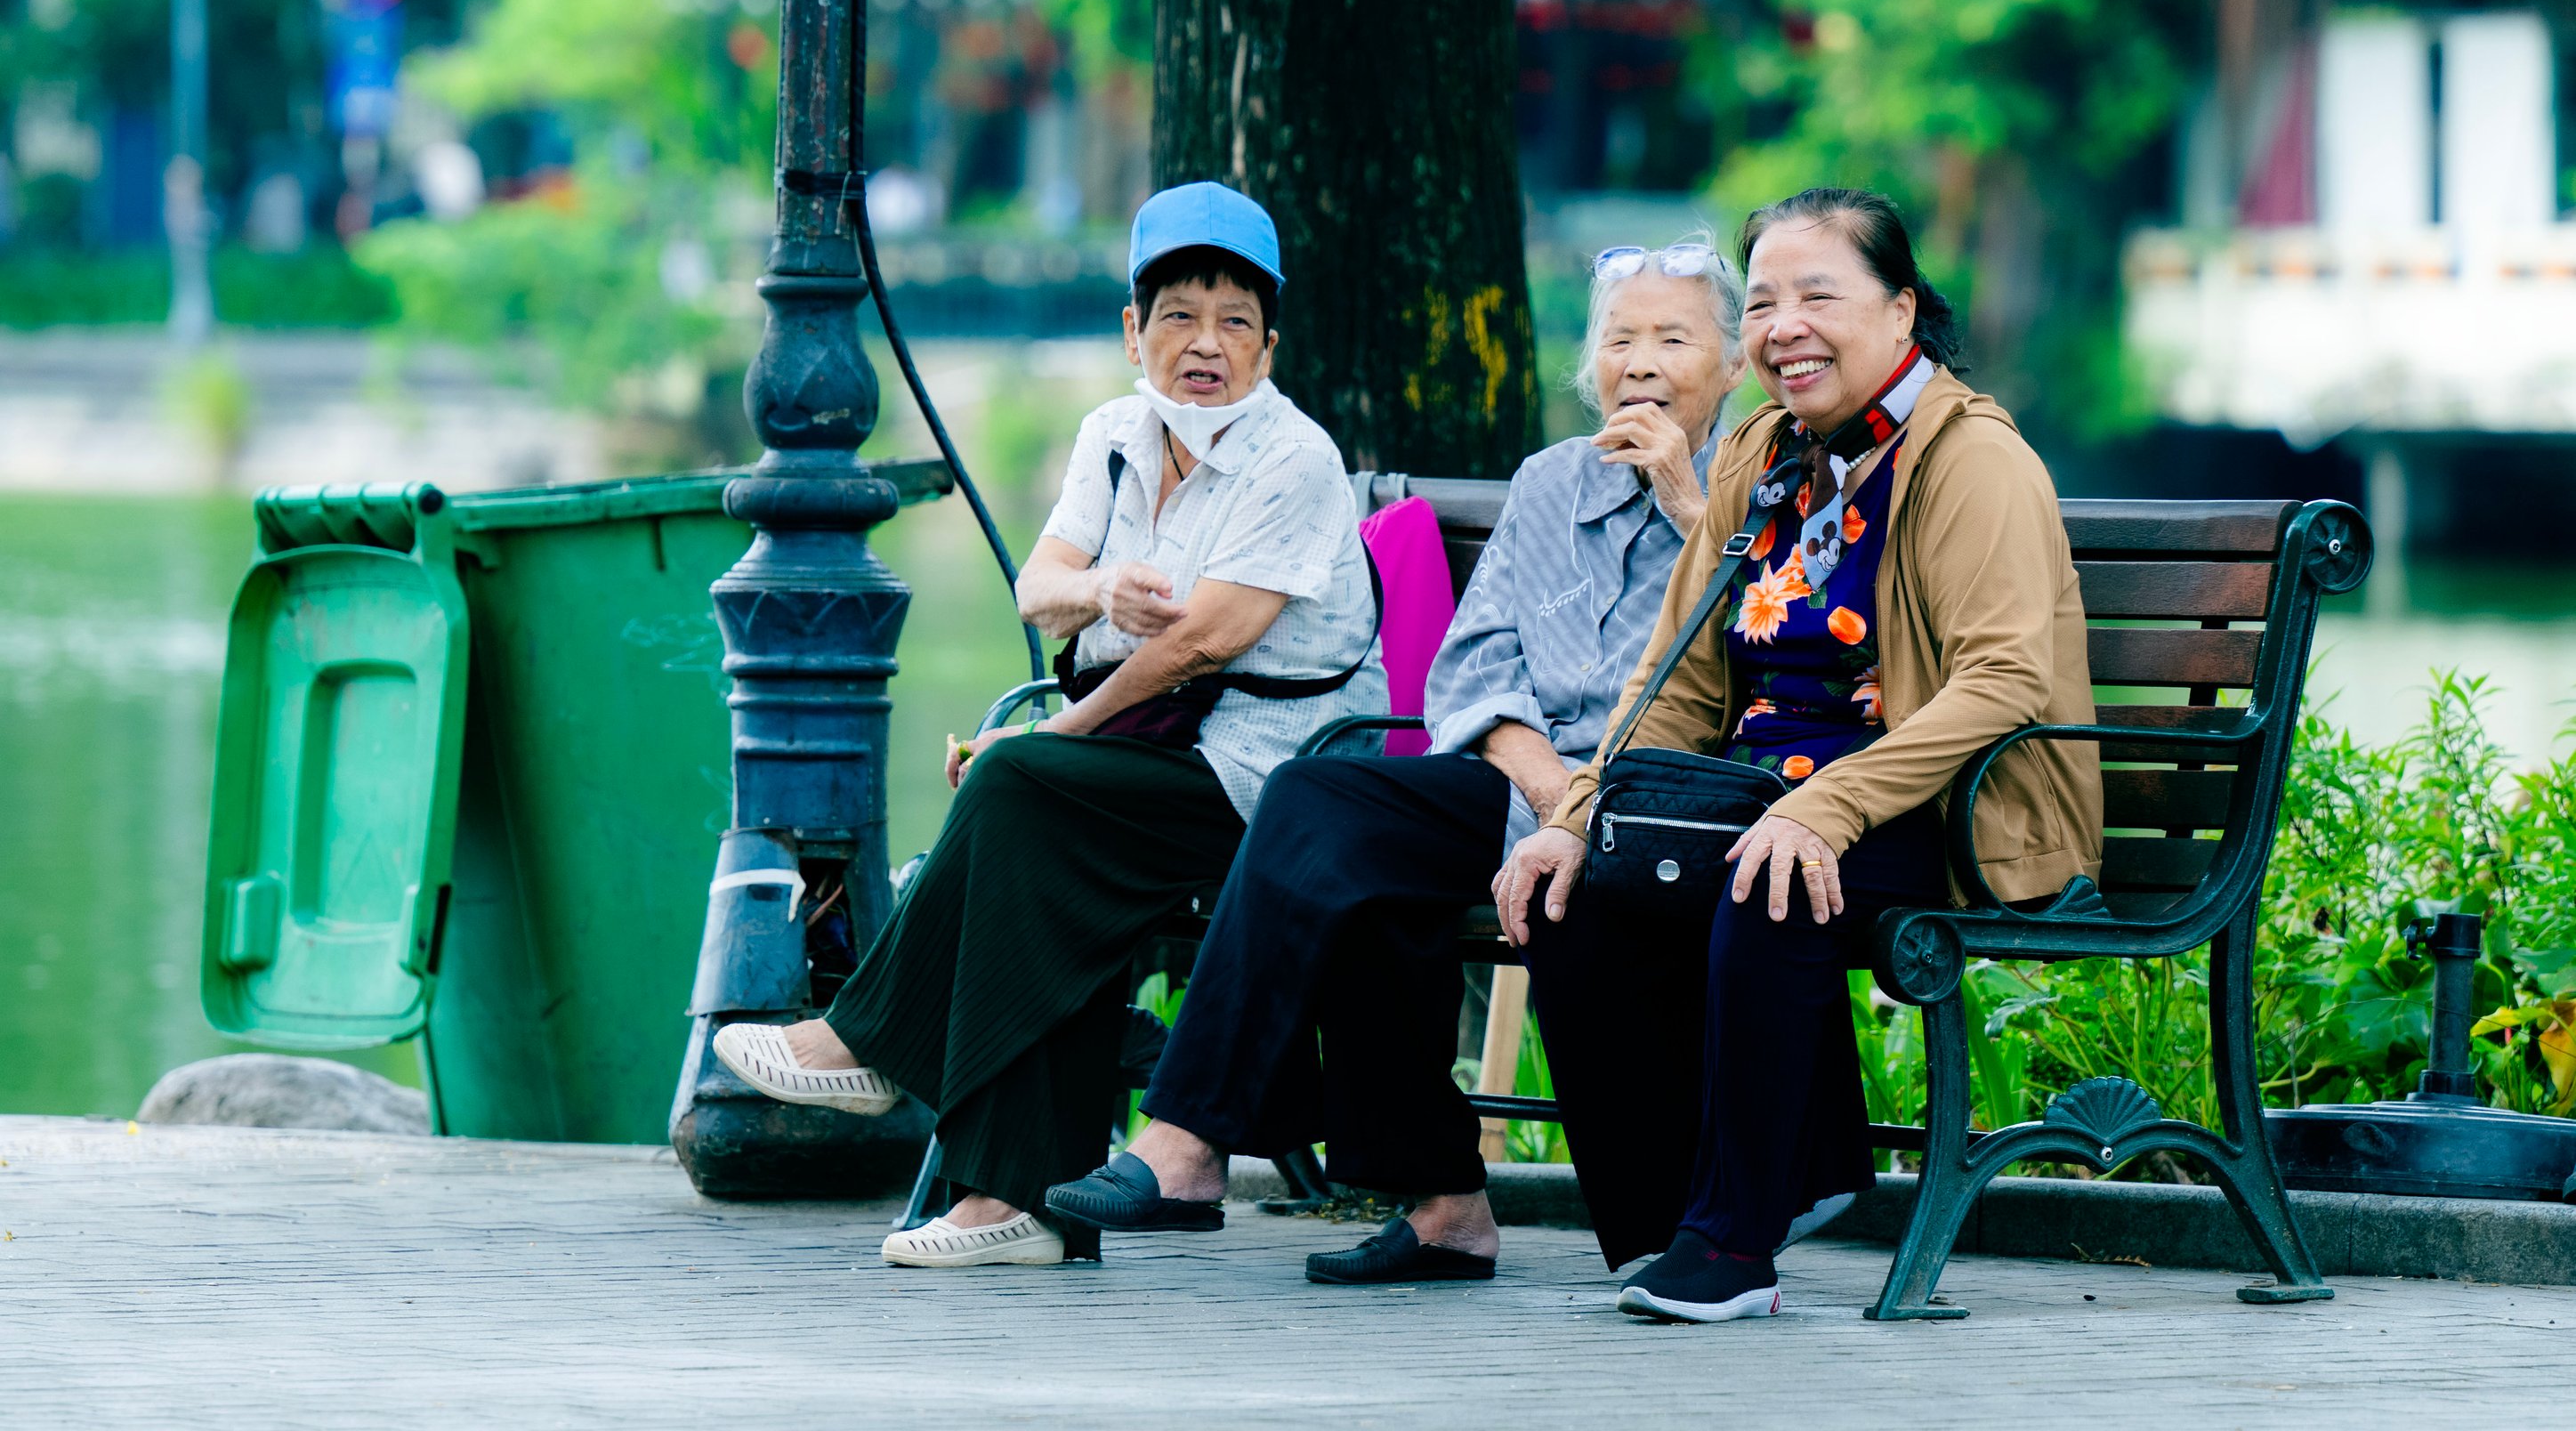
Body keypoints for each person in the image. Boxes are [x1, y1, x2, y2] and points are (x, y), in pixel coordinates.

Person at [710, 182, 1385, 1268]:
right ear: (1132, 331)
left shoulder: (1292, 459)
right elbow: (1041, 586)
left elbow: (1200, 645)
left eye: (1234, 323)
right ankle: (1018, 1205)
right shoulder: (1114, 434)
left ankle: (879, 1047)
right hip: (1155, 753)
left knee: (1020, 791)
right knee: (1033, 828)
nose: (1204, 345)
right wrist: (1105, 587)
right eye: (1177, 317)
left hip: (1280, 782)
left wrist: (1055, 736)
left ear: (1269, 346)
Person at [1045, 234, 1744, 1283]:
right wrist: (1549, 786)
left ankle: (1628, 1222)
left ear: (1733, 366)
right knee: (1326, 806)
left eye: (1672, 339)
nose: (1638, 363)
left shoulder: (1758, 492)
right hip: (1527, 788)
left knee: (1414, 875)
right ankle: (1221, 1150)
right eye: (1619, 339)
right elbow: (1473, 667)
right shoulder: (1551, 483)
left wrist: (1694, 511)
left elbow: (1766, 656)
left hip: (1662, 810)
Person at [1495, 187, 2103, 1322]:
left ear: (1902, 310)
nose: (1784, 325)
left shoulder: (1971, 459)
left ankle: (1733, 1250)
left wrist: (1826, 808)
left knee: (1769, 881)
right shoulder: (1765, 452)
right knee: (1579, 889)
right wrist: (1575, 813)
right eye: (1765, 299)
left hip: (1950, 808)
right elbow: (1675, 674)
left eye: (1819, 294)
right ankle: (1666, 1228)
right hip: (1770, 795)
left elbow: (2004, 680)